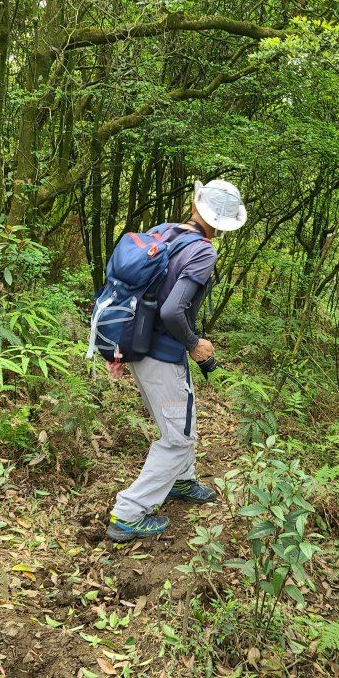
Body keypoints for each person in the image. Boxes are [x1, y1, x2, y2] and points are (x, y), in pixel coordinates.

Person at [107, 179, 247, 543]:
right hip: (163, 356)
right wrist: (194, 343)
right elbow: (172, 310)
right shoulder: (202, 251)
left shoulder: (163, 232)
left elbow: (135, 293)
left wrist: (119, 350)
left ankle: (181, 482)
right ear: (222, 223)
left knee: (179, 420)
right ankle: (129, 513)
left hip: (138, 348)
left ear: (194, 203)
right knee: (178, 437)